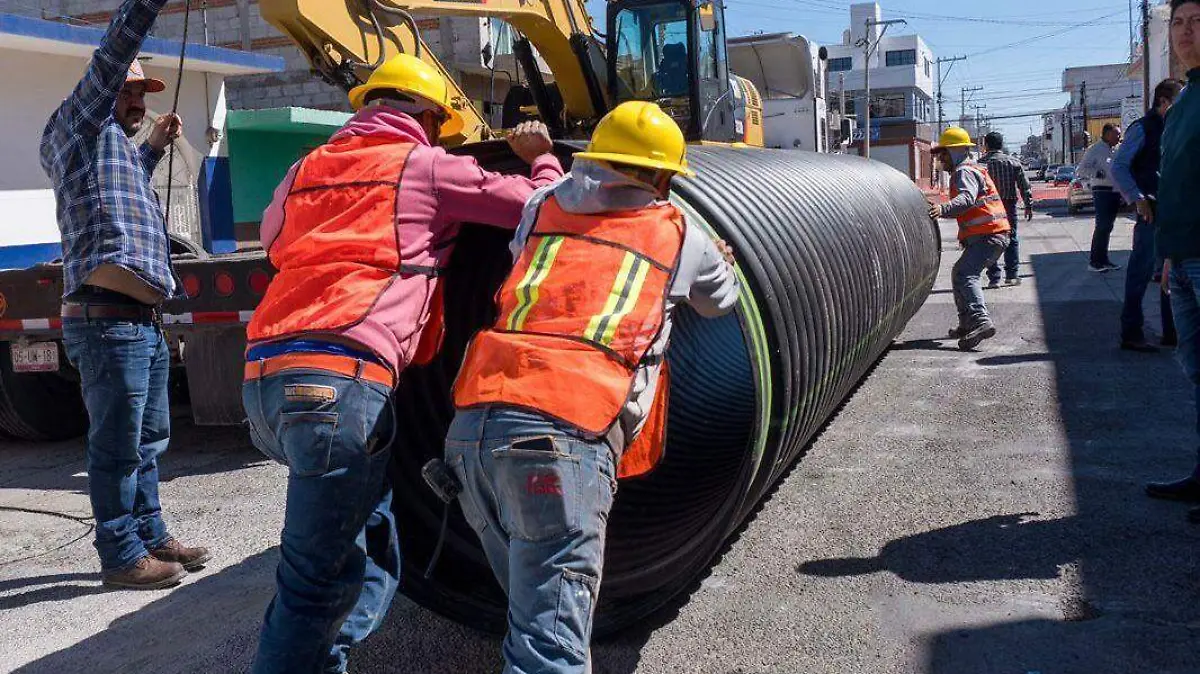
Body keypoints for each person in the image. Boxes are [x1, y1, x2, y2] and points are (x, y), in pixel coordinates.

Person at [241, 53, 564, 673]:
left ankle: (328, 655)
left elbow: (276, 242)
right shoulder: (425, 165)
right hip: (340, 381)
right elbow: (538, 208)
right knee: (314, 580)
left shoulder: (304, 169)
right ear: (429, 116)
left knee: (374, 533)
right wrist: (541, 157)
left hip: (265, 379)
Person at [444, 101, 739, 673]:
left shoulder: (541, 207)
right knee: (547, 647)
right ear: (661, 177)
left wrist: (543, 160)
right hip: (564, 435)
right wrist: (719, 259)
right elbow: (720, 301)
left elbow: (533, 232)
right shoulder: (681, 232)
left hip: (473, 424)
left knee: (531, 608)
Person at [40, 0, 209, 590]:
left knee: (148, 441)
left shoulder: (110, 149)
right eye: (129, 91)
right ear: (102, 91)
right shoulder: (78, 127)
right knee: (116, 446)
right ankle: (119, 555)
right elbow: (113, 54)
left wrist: (155, 146)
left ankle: (150, 535)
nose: (139, 101)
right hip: (107, 321)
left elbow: (121, 185)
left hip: (140, 322)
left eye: (144, 93)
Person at [1146, 0, 1200, 524]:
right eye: (1179, 22)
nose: (1185, 32)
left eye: (1197, 22)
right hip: (1182, 258)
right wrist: (1167, 255)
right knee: (1197, 371)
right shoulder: (1183, 104)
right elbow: (1176, 185)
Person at [1113, 78, 1184, 353]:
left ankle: (1172, 332)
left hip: (1176, 212)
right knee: (1141, 272)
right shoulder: (1142, 129)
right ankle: (1131, 332)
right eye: (1179, 101)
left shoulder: (1177, 127)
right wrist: (1137, 198)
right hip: (1152, 213)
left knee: (1173, 273)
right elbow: (1119, 166)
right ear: (1163, 102)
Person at [928, 127, 1012, 351]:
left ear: (954, 151)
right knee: (959, 273)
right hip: (991, 235)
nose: (941, 159)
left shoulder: (963, 172)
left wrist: (942, 209)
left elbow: (967, 199)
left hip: (990, 235)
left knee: (966, 274)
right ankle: (967, 323)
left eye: (943, 154)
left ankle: (981, 321)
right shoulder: (971, 169)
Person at [981, 131, 1035, 288]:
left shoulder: (980, 164)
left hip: (987, 207)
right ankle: (1011, 275)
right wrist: (1028, 205)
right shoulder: (1013, 162)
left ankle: (994, 277)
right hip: (1008, 205)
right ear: (1001, 144)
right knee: (1011, 239)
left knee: (989, 240)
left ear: (986, 145)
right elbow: (1024, 186)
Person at [1077, 123, 1124, 272]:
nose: (1119, 137)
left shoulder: (1116, 149)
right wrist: (1097, 173)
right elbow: (1081, 170)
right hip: (1102, 190)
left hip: (1115, 191)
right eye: (1117, 134)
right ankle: (1094, 262)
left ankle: (1104, 260)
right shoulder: (1095, 149)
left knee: (1108, 227)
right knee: (1102, 226)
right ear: (1107, 134)